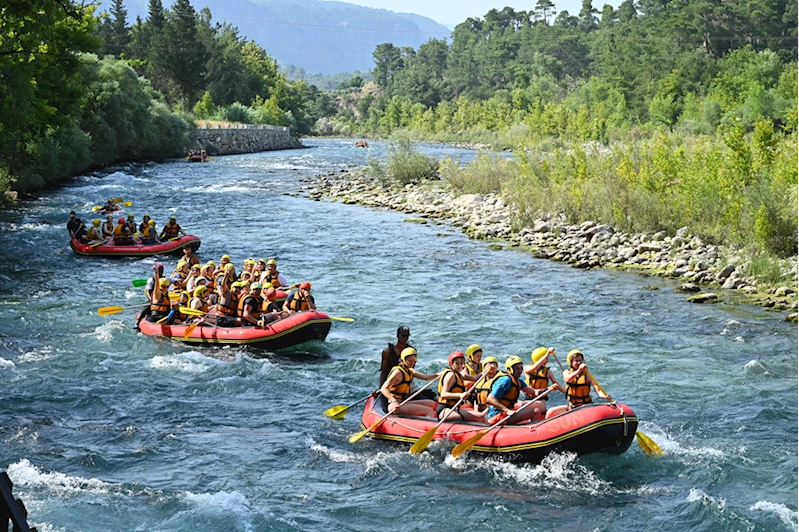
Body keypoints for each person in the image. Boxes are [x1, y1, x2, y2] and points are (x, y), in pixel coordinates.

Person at [545, 350, 611, 419]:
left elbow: (598, 390)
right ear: (570, 362)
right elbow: (568, 379)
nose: (579, 362)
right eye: (576, 361)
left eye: (581, 360)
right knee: (550, 412)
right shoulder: (566, 372)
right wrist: (579, 370)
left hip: (585, 406)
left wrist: (605, 396)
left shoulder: (587, 375)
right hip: (571, 406)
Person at [379, 347, 438, 418]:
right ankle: (427, 426)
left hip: (403, 402)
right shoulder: (398, 372)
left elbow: (425, 377)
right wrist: (394, 401)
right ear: (403, 360)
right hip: (395, 405)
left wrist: (439, 374)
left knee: (431, 403)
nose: (412, 363)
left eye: (414, 360)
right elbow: (383, 388)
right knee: (429, 410)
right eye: (410, 361)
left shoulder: (410, 371)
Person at [485, 356, 543, 425]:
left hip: (504, 414)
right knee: (535, 411)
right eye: (517, 369)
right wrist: (507, 411)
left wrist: (550, 389)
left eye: (521, 368)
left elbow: (533, 392)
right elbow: (490, 399)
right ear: (510, 369)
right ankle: (533, 432)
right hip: (496, 416)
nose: (520, 371)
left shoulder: (518, 380)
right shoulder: (505, 381)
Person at [437, 351, 486, 422]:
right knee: (475, 417)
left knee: (481, 416)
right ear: (451, 364)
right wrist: (460, 395)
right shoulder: (451, 375)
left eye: (461, 363)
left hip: (454, 408)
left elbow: (475, 378)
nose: (460, 366)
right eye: (457, 363)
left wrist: (487, 371)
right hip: (445, 410)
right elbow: (443, 394)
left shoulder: (460, 375)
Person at [524, 347, 567, 416]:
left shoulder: (547, 371)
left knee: (525, 405)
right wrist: (547, 353)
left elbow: (558, 385)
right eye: (546, 359)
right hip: (529, 399)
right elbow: (534, 367)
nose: (547, 361)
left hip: (541, 401)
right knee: (523, 405)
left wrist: (571, 393)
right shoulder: (527, 368)